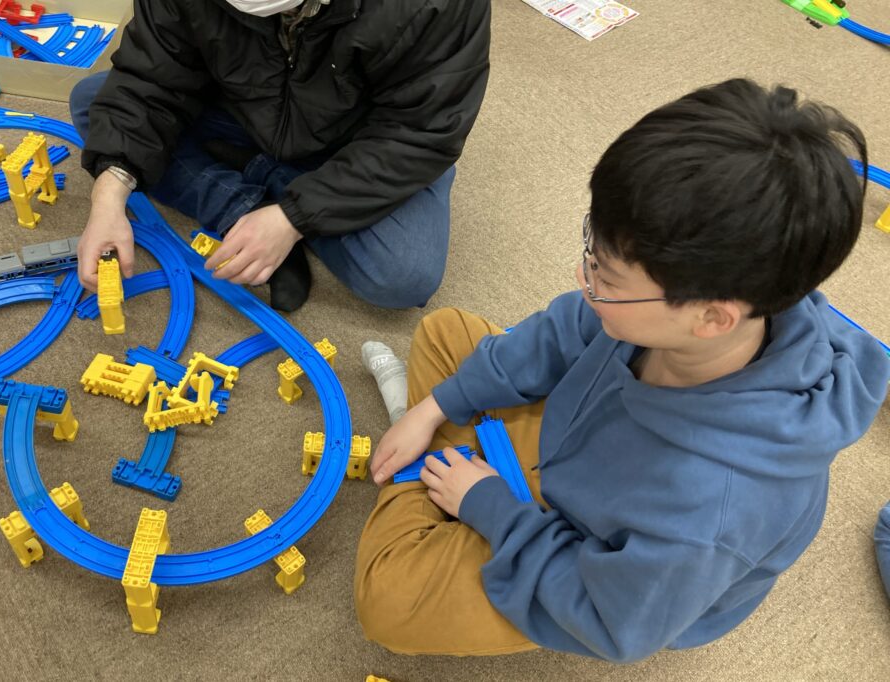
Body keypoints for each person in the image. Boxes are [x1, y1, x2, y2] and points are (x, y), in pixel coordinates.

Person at [353, 78, 890, 661]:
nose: (584, 281)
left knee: (389, 599)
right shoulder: (721, 302)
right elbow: (567, 327)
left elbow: (609, 620)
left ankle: (434, 483)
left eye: (606, 276)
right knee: (445, 332)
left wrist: (491, 508)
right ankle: (444, 462)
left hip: (597, 563)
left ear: (712, 318)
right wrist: (434, 409)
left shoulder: (710, 510)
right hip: (579, 450)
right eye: (593, 252)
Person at [70, 0, 491, 312]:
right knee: (94, 104)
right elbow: (151, 78)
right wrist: (108, 196)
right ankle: (245, 207)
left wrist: (292, 218)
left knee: (402, 275)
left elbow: (420, 132)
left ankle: (267, 185)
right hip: (244, 107)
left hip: (362, 139)